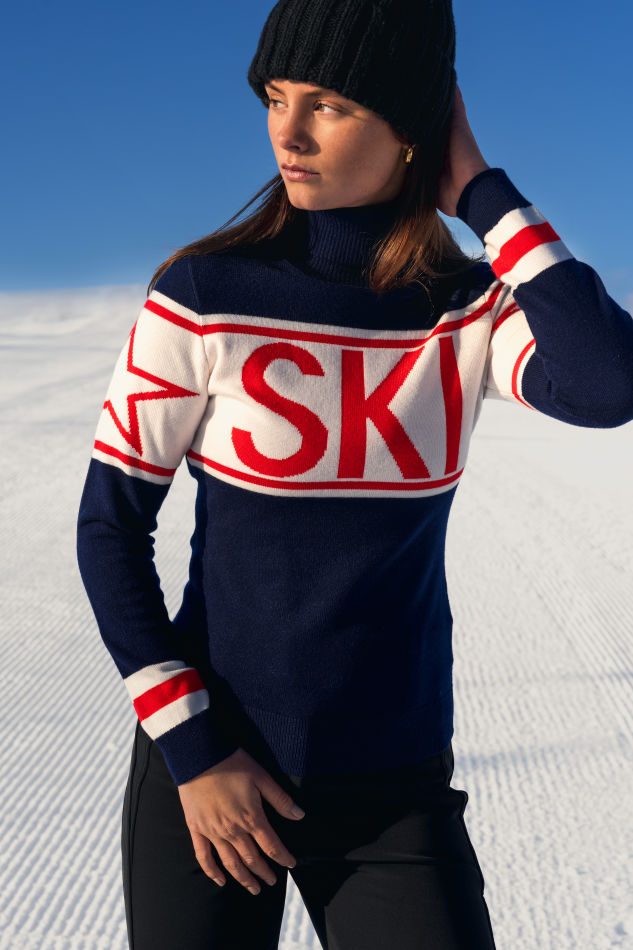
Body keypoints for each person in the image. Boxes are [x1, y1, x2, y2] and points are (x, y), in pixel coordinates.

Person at [75, 0, 633, 947]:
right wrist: (194, 749)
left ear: (412, 128)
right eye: (275, 97)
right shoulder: (206, 294)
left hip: (391, 787)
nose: (286, 134)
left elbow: (606, 382)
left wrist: (482, 191)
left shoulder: (463, 312)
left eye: (329, 105)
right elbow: (110, 529)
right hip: (214, 769)